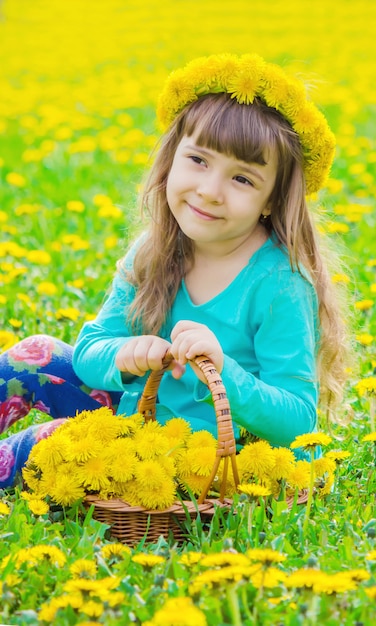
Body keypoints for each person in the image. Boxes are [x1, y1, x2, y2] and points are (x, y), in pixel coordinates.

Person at [0, 53, 348, 489]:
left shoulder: (279, 284)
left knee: (49, 444)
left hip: (208, 456)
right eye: (198, 160)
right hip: (138, 411)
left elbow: (298, 421)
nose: (209, 191)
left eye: (242, 179)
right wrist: (124, 358)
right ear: (171, 158)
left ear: (273, 200)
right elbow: (92, 351)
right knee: (32, 356)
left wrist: (225, 371)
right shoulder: (155, 250)